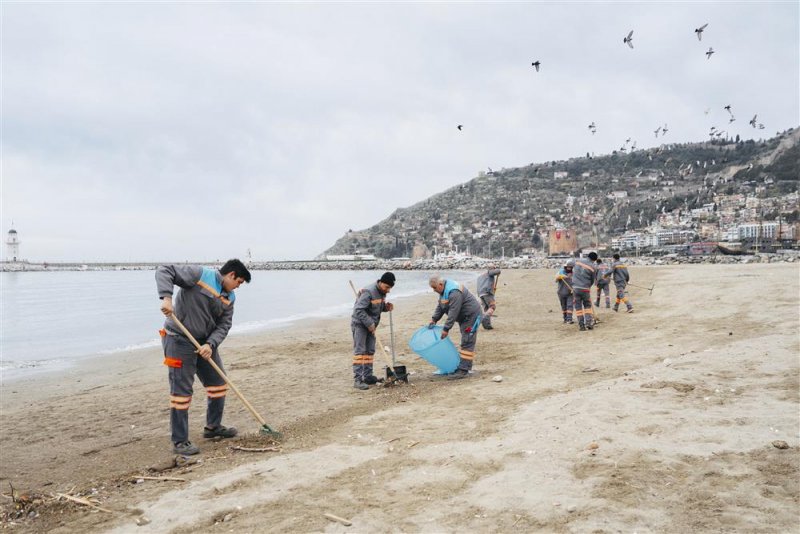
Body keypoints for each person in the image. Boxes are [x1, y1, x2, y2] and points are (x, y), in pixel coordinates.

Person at [156, 259, 251, 456]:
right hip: (179, 340)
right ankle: (180, 441)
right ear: (231, 275)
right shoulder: (200, 275)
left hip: (205, 345)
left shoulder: (229, 297)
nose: (238, 287)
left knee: (218, 384)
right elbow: (165, 270)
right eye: (239, 282)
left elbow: (224, 325)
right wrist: (166, 297)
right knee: (181, 392)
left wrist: (210, 344)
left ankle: (213, 427)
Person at [428, 274, 482, 379]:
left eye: (434, 288)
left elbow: (453, 312)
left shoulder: (454, 292)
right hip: (464, 317)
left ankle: (463, 370)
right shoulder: (444, 290)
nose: (434, 290)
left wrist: (446, 329)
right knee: (466, 340)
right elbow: (441, 306)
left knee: (467, 341)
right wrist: (434, 319)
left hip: (471, 316)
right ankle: (464, 367)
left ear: (440, 284)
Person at [351, 272, 395, 390]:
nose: (388, 290)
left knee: (370, 351)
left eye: (390, 288)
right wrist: (369, 323)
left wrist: (386, 307)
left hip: (371, 325)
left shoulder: (382, 293)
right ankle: (358, 380)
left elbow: (375, 308)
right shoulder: (368, 291)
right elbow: (358, 310)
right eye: (387, 287)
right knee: (360, 352)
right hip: (360, 325)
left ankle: (368, 376)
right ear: (381, 283)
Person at [572, 251, 598, 331]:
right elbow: (592, 280)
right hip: (585, 288)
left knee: (578, 308)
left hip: (575, 288)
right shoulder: (593, 267)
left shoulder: (578, 262)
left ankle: (581, 325)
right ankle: (589, 323)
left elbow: (573, 272)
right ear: (594, 260)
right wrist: (588, 287)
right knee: (587, 306)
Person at [477, 265, 501, 330]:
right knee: (492, 307)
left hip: (481, 294)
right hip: (487, 293)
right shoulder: (489, 272)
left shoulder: (481, 276)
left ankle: (487, 325)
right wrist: (498, 269)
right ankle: (484, 317)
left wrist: (492, 288)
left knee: (486, 309)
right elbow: (497, 271)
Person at [555, 259, 575, 324]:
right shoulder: (561, 272)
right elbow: (556, 279)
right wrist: (560, 277)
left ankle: (569, 319)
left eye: (570, 267)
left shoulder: (574, 274)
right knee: (563, 306)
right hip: (561, 292)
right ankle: (565, 318)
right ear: (566, 267)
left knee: (570, 305)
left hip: (570, 293)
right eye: (568, 267)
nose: (569, 268)